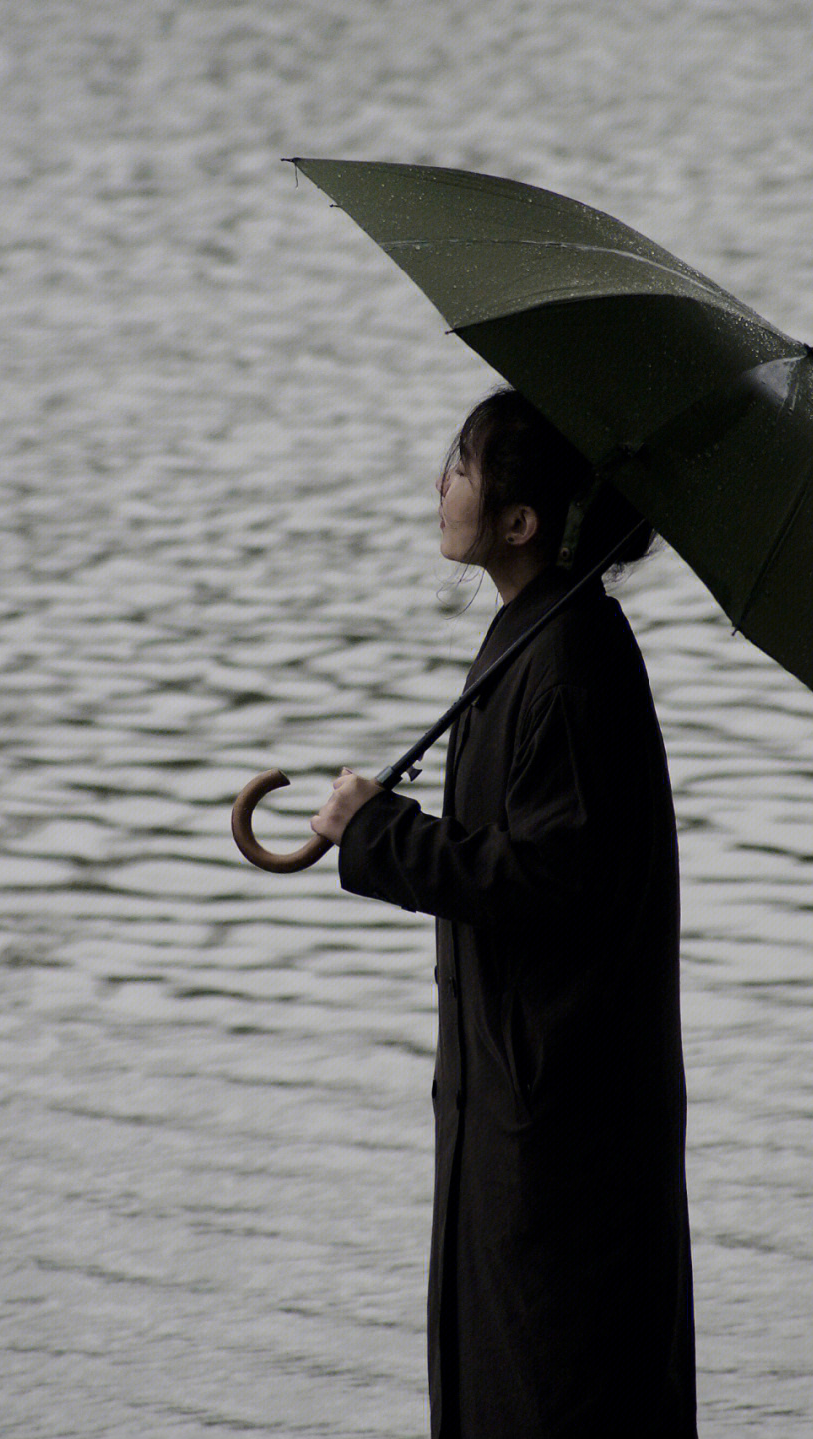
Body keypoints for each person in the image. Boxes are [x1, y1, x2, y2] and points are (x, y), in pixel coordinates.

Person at [311, 387, 697, 1438]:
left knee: (558, 1389)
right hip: (516, 1109)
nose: (443, 484)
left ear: (521, 521)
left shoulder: (573, 660)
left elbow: (543, 876)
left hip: (563, 1132)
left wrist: (378, 831)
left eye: (464, 465)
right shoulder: (535, 636)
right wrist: (381, 828)